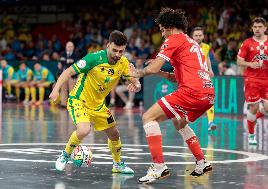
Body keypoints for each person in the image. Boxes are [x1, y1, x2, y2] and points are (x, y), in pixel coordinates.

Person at [132, 8, 215, 183]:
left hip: (192, 92)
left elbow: (152, 67)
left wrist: (137, 73)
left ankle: (159, 166)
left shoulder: (174, 39)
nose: (162, 34)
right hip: (207, 94)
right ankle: (202, 162)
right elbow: (175, 78)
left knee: (148, 117)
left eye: (162, 29)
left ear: (170, 27)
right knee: (179, 122)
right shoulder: (192, 43)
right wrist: (160, 72)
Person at [49, 30, 141, 174]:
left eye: (121, 51)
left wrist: (136, 85)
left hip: (98, 105)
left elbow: (135, 81)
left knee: (114, 134)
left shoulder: (123, 63)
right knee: (84, 130)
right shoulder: (93, 59)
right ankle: (65, 155)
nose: (117, 54)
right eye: (114, 50)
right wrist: (56, 90)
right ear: (108, 45)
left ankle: (117, 164)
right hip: (79, 100)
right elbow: (68, 71)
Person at [237, 17, 268, 145]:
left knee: (267, 107)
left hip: (267, 79)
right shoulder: (247, 43)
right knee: (254, 107)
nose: (257, 29)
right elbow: (239, 61)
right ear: (252, 28)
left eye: (260, 27)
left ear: (265, 28)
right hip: (252, 79)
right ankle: (251, 134)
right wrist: (250, 64)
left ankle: (252, 118)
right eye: (255, 27)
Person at [192, 27, 217, 131]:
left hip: (204, 76)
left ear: (203, 36)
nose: (198, 37)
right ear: (192, 37)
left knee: (210, 98)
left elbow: (207, 58)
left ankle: (210, 122)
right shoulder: (188, 47)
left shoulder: (206, 47)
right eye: (196, 35)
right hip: (192, 77)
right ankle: (185, 121)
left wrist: (210, 69)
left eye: (200, 35)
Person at [59, 41, 79, 108]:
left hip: (72, 75)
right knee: (63, 89)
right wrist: (69, 61)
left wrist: (66, 61)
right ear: (66, 47)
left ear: (73, 47)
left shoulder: (76, 55)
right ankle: (63, 104)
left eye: (71, 46)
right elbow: (61, 62)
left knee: (72, 89)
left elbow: (75, 64)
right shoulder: (63, 54)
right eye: (68, 46)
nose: (70, 48)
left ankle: (72, 104)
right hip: (64, 74)